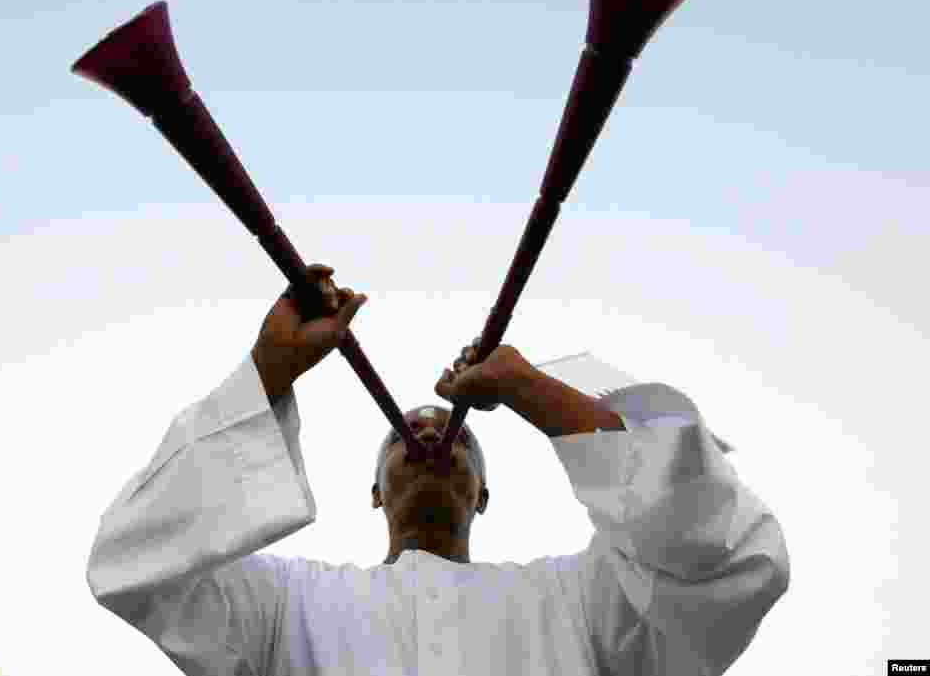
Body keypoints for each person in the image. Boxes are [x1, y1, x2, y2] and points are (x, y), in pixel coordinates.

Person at [87, 264, 789, 676]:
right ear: (372, 492)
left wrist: (533, 391)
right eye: (402, 435)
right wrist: (266, 373)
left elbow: (733, 566)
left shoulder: (577, 601)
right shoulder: (285, 608)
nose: (426, 429)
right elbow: (134, 565)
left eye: (456, 435)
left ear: (483, 494)